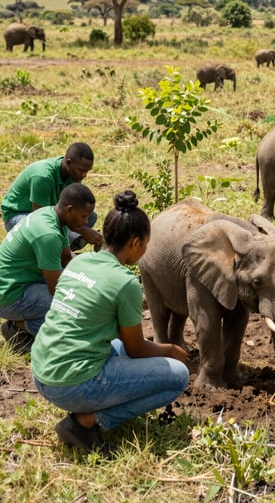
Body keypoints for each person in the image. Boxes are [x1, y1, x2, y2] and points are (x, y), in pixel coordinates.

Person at [31, 190, 189, 453]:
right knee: (177, 375)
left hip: (41, 370)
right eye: (147, 243)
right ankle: (84, 422)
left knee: (118, 349)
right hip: (69, 383)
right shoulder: (125, 283)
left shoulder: (78, 264)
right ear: (136, 242)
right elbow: (137, 349)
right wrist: (172, 351)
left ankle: (89, 407)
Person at [0, 183, 96, 354]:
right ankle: (17, 328)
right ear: (70, 209)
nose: (86, 222)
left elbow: (66, 258)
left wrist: (92, 277)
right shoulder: (48, 234)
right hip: (10, 295)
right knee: (72, 309)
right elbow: (57, 290)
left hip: (23, 280)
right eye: (83, 217)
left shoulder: (53, 216)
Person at [2, 142, 102, 250]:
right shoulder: (42, 176)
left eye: (87, 171)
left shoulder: (73, 174)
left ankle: (62, 249)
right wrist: (83, 231)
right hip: (19, 215)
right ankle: (59, 248)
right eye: (81, 170)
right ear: (69, 163)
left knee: (90, 216)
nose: (84, 175)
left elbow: (73, 208)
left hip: (49, 212)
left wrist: (83, 229)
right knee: (48, 230)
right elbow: (41, 219)